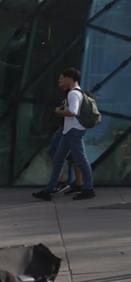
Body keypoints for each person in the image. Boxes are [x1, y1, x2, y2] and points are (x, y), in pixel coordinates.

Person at [33, 67, 95, 201]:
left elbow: (73, 111)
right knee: (58, 160)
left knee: (81, 160)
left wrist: (58, 111)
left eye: (62, 78)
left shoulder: (73, 93)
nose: (60, 80)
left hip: (74, 131)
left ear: (70, 78)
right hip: (69, 131)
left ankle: (88, 189)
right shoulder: (76, 92)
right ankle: (49, 190)